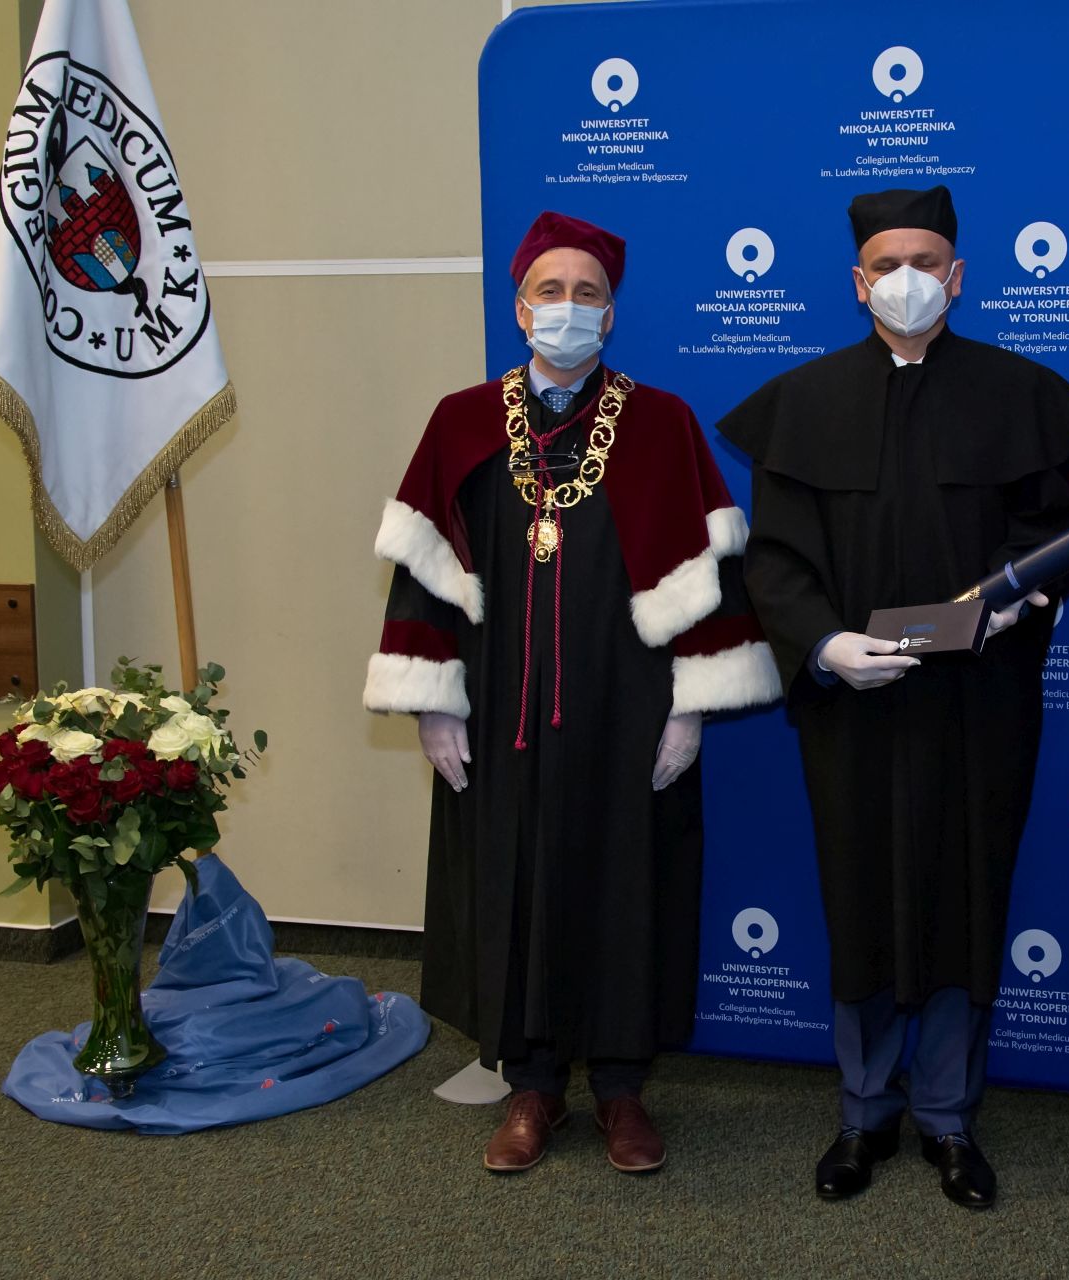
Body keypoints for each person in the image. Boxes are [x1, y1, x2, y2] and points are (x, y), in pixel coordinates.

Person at [364, 210, 780, 1177]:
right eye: (549, 291)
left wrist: (690, 706)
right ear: (520, 309)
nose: (567, 307)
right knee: (516, 875)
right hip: (500, 702)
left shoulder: (662, 422)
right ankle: (534, 1085)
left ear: (611, 313)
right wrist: (433, 700)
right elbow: (424, 571)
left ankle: (623, 1089)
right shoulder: (462, 421)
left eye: (586, 293)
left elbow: (708, 579)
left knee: (628, 879)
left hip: (627, 704)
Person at [721, 185, 1069, 1210]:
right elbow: (777, 560)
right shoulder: (803, 402)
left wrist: (1012, 607)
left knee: (964, 896)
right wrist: (824, 642)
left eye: (926, 261)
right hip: (855, 705)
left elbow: (1058, 533)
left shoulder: (1019, 393)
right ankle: (863, 1112)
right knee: (861, 896)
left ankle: (948, 1116)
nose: (907, 279)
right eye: (887, 263)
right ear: (858, 282)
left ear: (957, 276)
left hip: (978, 700)